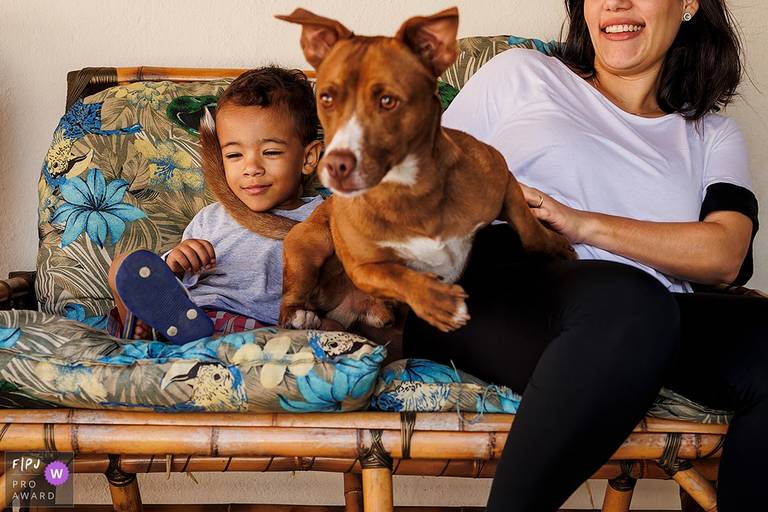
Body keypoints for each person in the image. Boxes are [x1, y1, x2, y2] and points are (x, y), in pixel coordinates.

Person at [402, 1, 766, 510]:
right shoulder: (521, 74)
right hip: (499, 281)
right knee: (630, 308)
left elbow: (725, 253)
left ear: (687, 5)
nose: (616, 2)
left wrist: (578, 221)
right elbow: (417, 187)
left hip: (644, 312)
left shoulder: (710, 133)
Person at [107, 66, 326, 344]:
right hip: (192, 318)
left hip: (264, 331)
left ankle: (147, 339)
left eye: (271, 152)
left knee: (329, 329)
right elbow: (173, 286)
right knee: (123, 267)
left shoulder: (321, 219)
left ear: (308, 159)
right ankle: (143, 330)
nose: (251, 168)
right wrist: (178, 262)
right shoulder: (211, 218)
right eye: (234, 155)